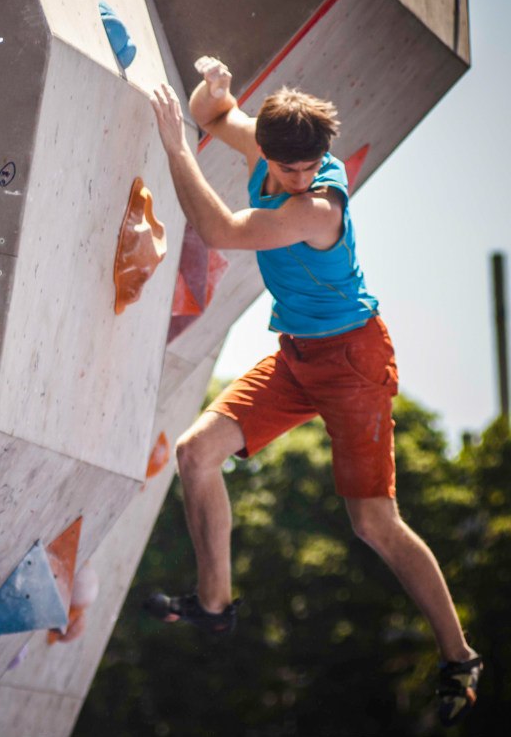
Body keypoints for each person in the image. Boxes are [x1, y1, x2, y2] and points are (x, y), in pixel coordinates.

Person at [142, 58, 481, 726]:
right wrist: (212, 92)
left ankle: (460, 655)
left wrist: (176, 147)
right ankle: (214, 605)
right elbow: (219, 115)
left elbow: (219, 231)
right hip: (299, 355)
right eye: (289, 169)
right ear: (267, 152)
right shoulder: (266, 149)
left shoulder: (317, 207)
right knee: (195, 453)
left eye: (310, 167)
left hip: (354, 361)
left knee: (372, 522)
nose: (301, 180)